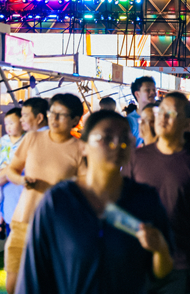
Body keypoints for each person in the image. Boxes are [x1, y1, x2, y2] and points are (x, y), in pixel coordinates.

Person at [16, 110, 174, 294]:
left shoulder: (145, 199)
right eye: (106, 138)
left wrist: (160, 249)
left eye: (125, 139)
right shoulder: (59, 202)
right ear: (83, 146)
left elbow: (162, 272)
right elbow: (34, 273)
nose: (117, 145)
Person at [122, 92, 190, 294]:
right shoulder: (136, 158)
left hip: (183, 262)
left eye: (170, 113)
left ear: (187, 122)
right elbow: (122, 206)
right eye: (160, 111)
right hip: (139, 260)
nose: (162, 118)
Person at [5, 94, 87, 294]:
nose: (53, 118)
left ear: (75, 120)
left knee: (46, 286)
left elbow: (86, 190)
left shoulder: (79, 149)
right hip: (22, 223)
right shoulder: (32, 138)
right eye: (52, 113)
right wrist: (21, 180)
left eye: (61, 115)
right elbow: (11, 170)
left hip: (55, 230)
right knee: (13, 286)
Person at [0, 108, 25, 238]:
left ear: (22, 123)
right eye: (6, 124)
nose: (8, 127)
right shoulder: (3, 140)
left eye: (11, 123)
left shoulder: (26, 140)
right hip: (4, 177)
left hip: (17, 184)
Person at [127, 76, 158, 147]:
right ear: (137, 94)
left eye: (154, 90)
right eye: (147, 90)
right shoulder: (129, 121)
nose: (153, 92)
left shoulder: (161, 118)